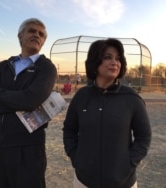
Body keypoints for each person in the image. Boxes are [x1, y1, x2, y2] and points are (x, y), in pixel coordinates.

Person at [0, 18, 57, 188]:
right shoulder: (2, 67)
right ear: (20, 36)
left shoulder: (46, 68)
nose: (37, 35)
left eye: (41, 34)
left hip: (28, 150)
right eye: (32, 31)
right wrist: (19, 100)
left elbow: (30, 101)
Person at [63, 38, 151, 188]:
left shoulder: (131, 98)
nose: (114, 62)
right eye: (107, 57)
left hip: (123, 183)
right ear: (95, 62)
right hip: (83, 182)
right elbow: (69, 131)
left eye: (118, 58)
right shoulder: (81, 97)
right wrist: (77, 159)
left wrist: (128, 164)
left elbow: (144, 136)